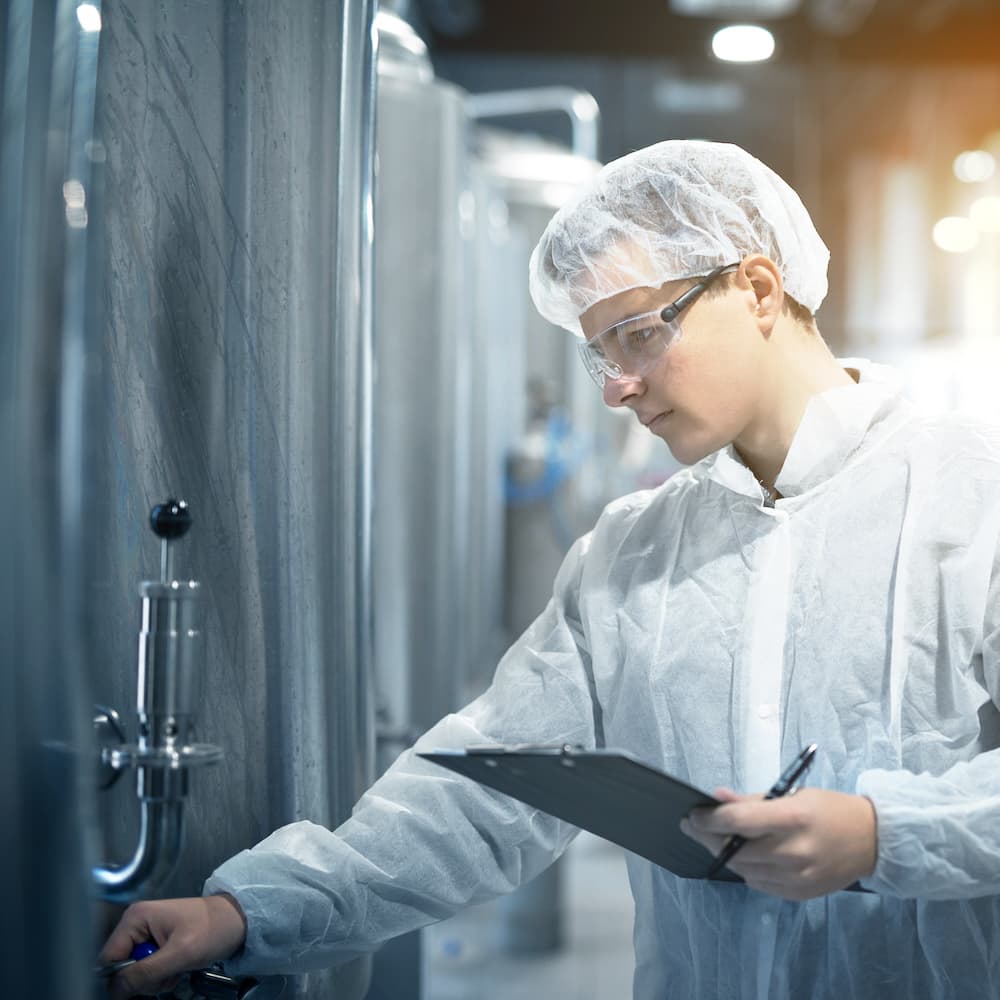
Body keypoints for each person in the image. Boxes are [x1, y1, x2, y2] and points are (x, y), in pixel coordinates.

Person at [101, 140, 1000, 1000]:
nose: (614, 386)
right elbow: (482, 793)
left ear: (758, 288)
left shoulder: (972, 496)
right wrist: (246, 911)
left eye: (639, 335)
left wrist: (885, 836)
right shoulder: (633, 551)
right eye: (599, 351)